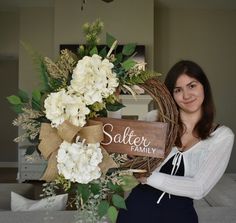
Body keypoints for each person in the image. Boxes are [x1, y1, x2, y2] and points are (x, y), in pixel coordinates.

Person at [116, 60, 235, 223]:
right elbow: (126, 152)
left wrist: (148, 177)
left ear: (204, 87)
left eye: (192, 86)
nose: (186, 95)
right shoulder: (154, 119)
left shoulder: (222, 136)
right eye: (178, 90)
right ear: (170, 95)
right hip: (135, 212)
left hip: (180, 217)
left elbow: (199, 188)